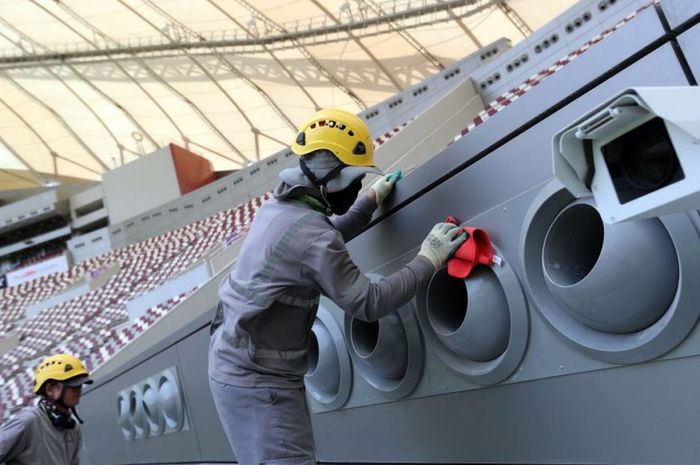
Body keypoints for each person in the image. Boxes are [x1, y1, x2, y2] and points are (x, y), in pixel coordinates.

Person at [208, 108, 466, 465]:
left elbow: (321, 240)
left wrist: (368, 203)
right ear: (328, 177)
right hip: (259, 381)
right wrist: (429, 259)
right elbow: (369, 302)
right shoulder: (310, 234)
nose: (357, 185)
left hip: (239, 364)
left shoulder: (281, 209)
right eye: (354, 179)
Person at [0, 353, 93, 465]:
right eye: (73, 386)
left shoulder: (73, 427)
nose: (78, 390)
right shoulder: (28, 421)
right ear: (50, 389)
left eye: (80, 385)